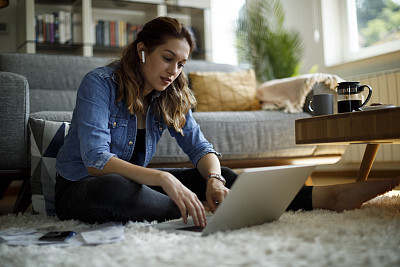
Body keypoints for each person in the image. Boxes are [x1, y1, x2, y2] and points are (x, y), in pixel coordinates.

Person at [55, 16, 400, 228]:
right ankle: (223, 212)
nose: (173, 72)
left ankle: (325, 197)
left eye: (181, 64)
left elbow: (200, 147)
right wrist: (164, 178)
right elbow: (97, 162)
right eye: (167, 58)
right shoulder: (99, 84)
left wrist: (216, 179)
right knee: (119, 189)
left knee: (225, 177)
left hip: (139, 184)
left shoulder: (169, 93)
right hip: (84, 187)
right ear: (142, 50)